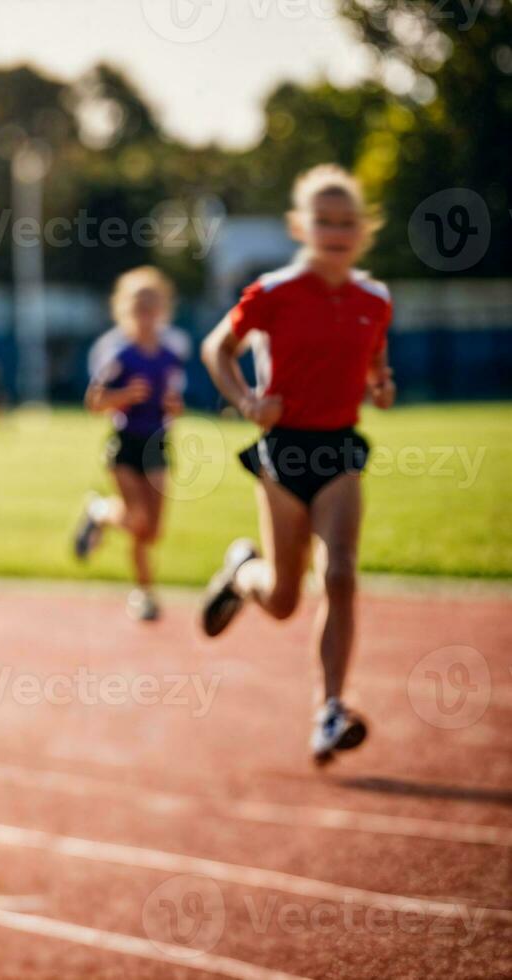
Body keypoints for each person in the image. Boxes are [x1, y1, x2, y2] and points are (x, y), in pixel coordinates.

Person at [198, 163, 394, 765]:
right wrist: (247, 400)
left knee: (340, 576)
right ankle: (242, 572)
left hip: (339, 451)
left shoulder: (374, 300)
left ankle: (330, 711)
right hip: (283, 452)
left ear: (362, 231)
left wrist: (380, 382)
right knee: (283, 600)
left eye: (346, 222)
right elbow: (217, 348)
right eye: (323, 220)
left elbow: (373, 358)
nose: (335, 231)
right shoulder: (274, 293)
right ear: (300, 227)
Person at [73, 266, 189, 621]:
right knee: (137, 519)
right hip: (125, 445)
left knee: (152, 530)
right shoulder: (119, 355)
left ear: (163, 308)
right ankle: (145, 593)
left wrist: (173, 406)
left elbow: (176, 402)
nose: (146, 314)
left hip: (157, 445)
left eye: (152, 305)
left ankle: (101, 512)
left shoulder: (171, 354)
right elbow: (94, 401)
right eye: (139, 306)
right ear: (125, 310)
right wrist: (124, 394)